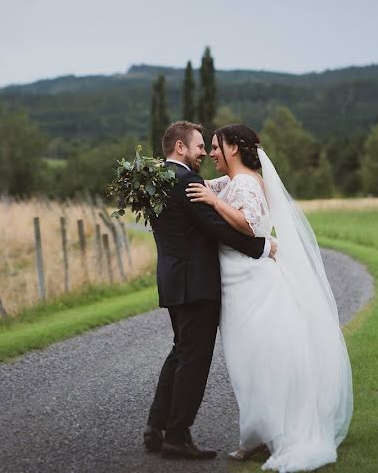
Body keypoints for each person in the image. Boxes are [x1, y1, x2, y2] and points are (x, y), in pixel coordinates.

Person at [185, 123, 353, 471]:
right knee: (248, 361)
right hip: (236, 281)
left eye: (216, 147)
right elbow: (193, 183)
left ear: (233, 148)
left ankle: (268, 434)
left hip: (251, 284)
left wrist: (215, 201)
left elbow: (249, 224)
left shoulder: (244, 182)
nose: (212, 153)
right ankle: (258, 433)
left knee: (257, 360)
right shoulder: (233, 181)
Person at [143, 120, 277, 460]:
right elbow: (218, 228)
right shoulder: (186, 180)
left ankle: (156, 425)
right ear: (180, 148)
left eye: (209, 146)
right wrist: (262, 248)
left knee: (180, 351)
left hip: (173, 280)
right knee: (194, 358)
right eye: (200, 145)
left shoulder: (156, 179)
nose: (204, 151)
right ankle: (177, 434)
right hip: (197, 285)